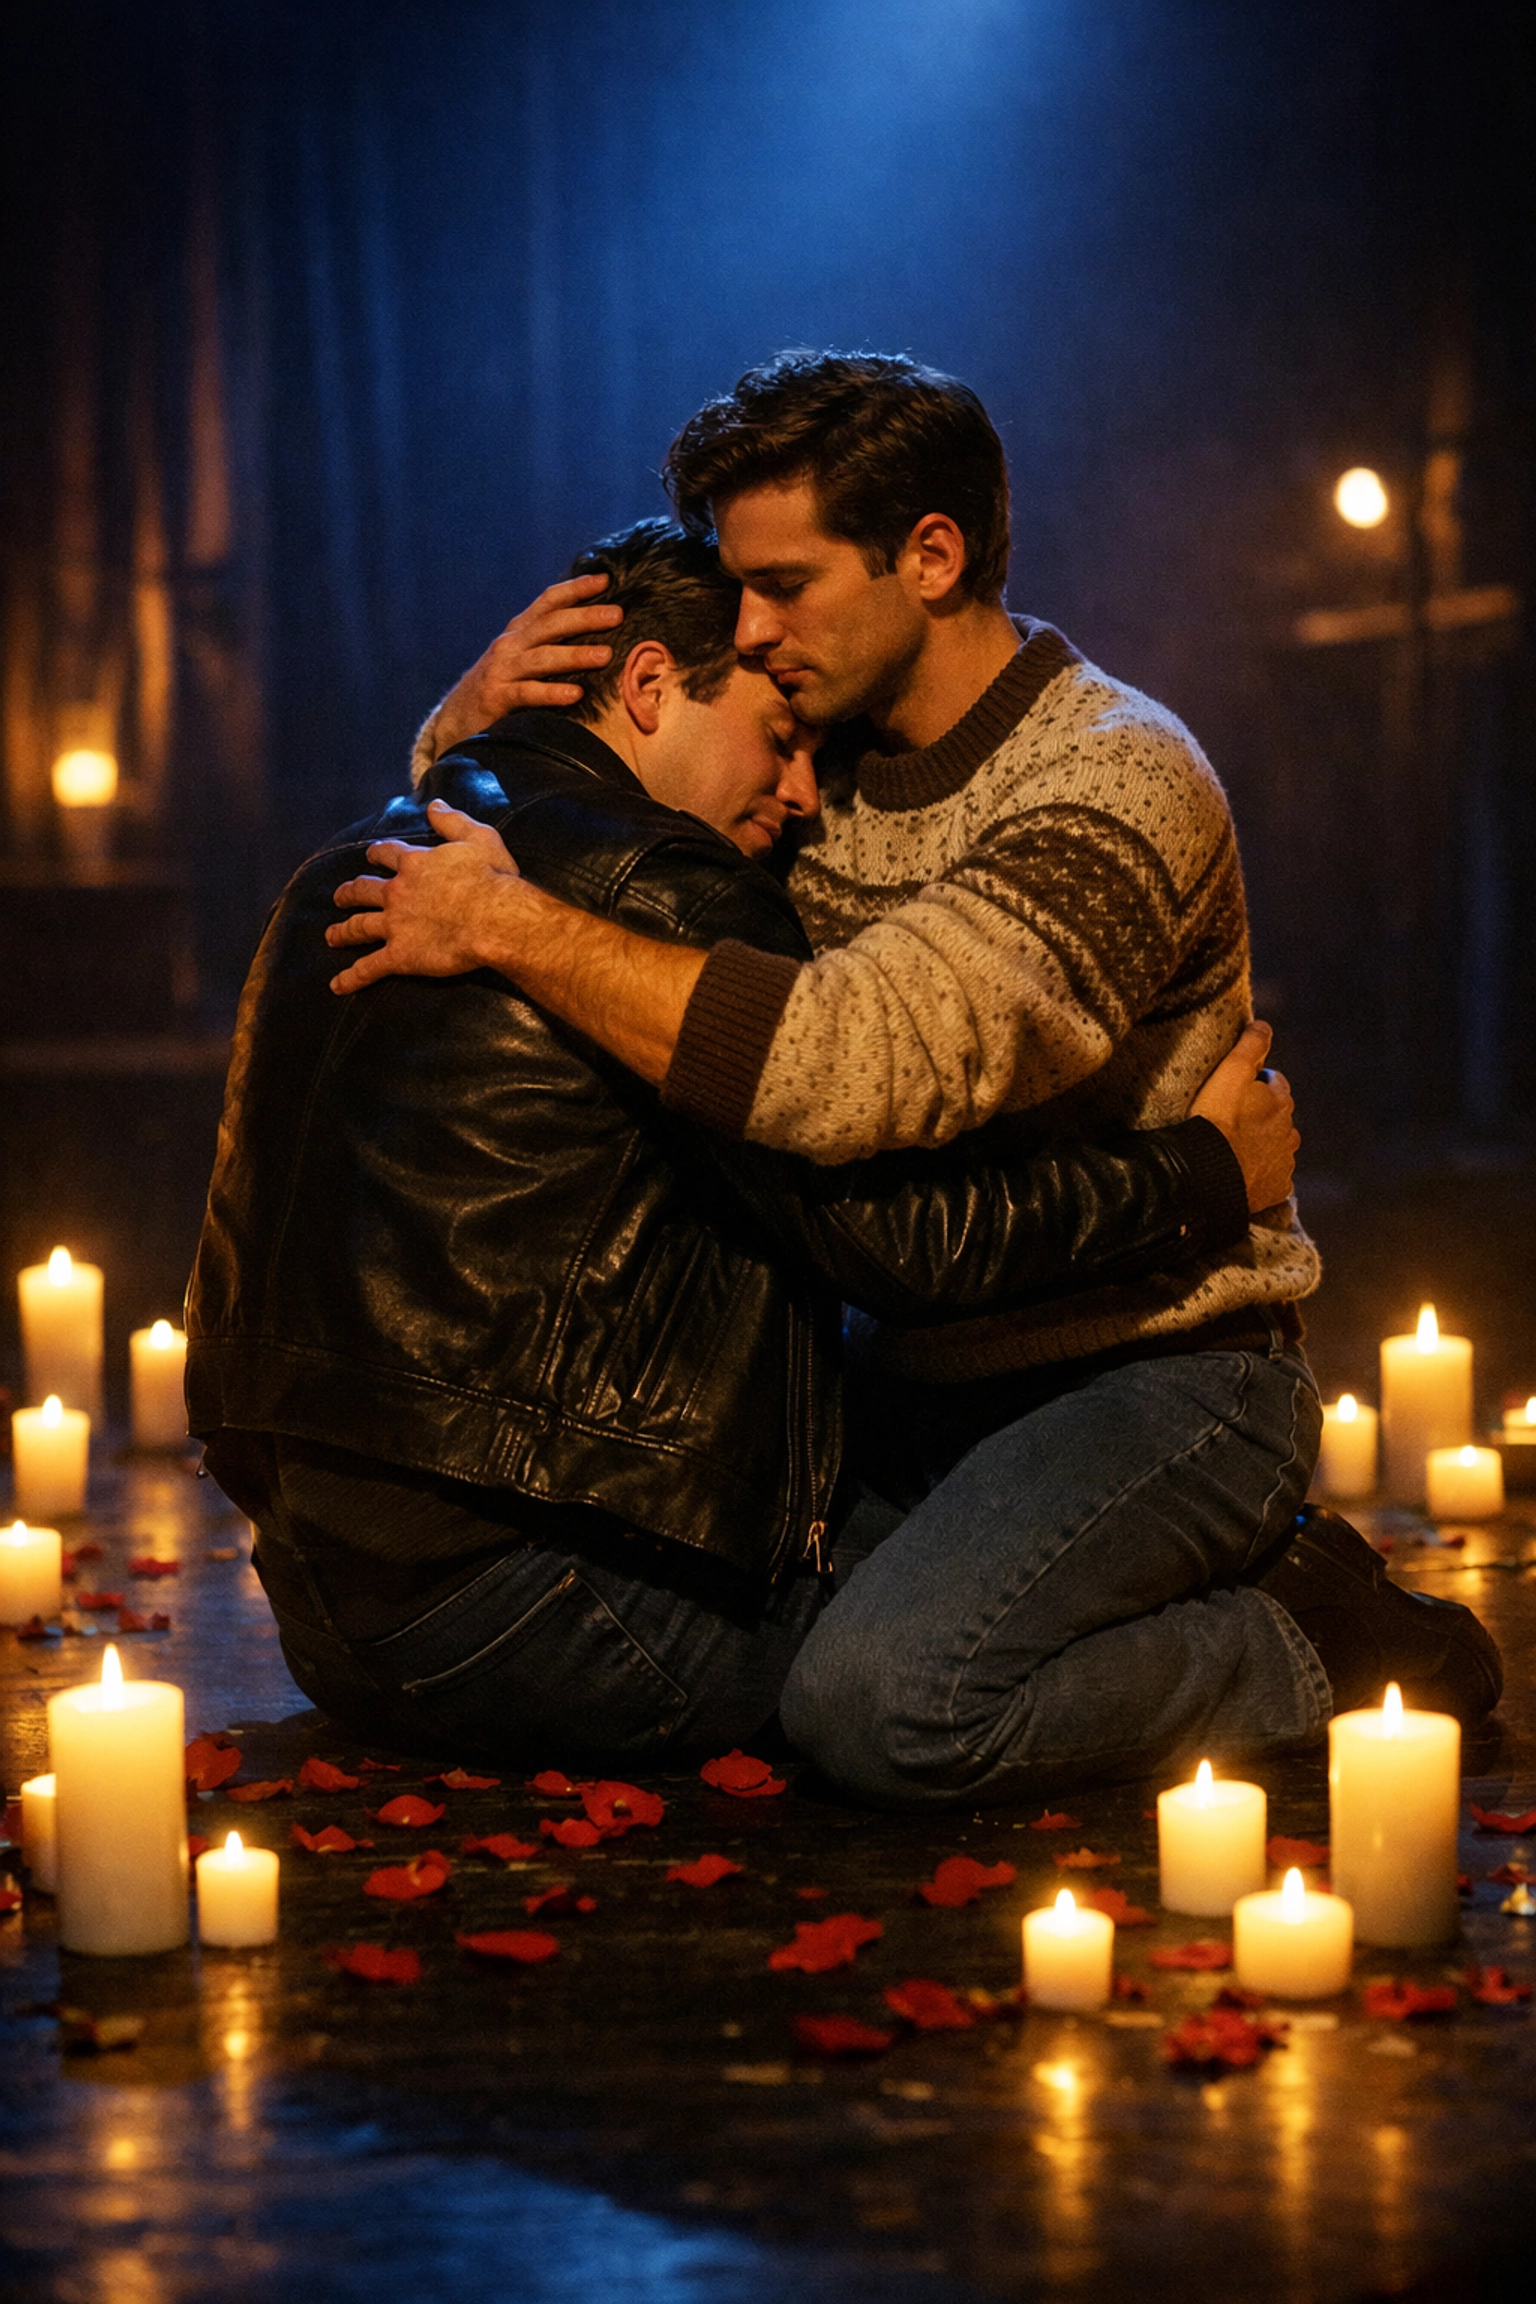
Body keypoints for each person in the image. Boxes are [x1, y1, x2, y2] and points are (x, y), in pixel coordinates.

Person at [328, 354, 1501, 1799]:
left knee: (886, 1710)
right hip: (905, 1388)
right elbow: (622, 870)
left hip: (1155, 1376)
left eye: (787, 584)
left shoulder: (1117, 776)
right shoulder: (806, 769)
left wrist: (506, 916)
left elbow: (853, 1061)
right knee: (724, 1673)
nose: (750, 629)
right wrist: (483, 735)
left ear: (930, 557)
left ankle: (1321, 1643)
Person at [188, 518, 1289, 1771]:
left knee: (941, 1509)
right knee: (905, 1671)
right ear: (651, 683)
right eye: (780, 739)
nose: (804, 794)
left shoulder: (353, 855)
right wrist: (1204, 1174)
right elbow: (902, 1246)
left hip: (327, 1621)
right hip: (557, 1621)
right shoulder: (676, 894)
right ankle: (1297, 1623)